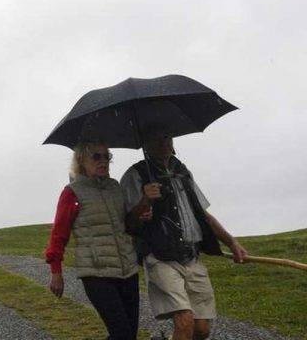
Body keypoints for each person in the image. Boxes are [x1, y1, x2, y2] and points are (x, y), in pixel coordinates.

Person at [121, 126, 248, 340]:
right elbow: (128, 224)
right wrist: (145, 200)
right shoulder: (135, 175)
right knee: (185, 320)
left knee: (201, 330)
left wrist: (232, 243)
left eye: (166, 137)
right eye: (156, 138)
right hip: (160, 258)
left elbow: (202, 214)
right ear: (145, 144)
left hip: (191, 257)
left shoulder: (182, 171)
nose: (163, 142)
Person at [45, 141, 144, 340]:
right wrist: (56, 272)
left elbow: (126, 225)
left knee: (129, 334)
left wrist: (142, 211)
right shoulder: (72, 192)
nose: (103, 161)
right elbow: (58, 235)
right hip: (96, 272)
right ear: (81, 160)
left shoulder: (115, 187)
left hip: (127, 269)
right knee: (122, 333)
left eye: (107, 156)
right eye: (96, 156)